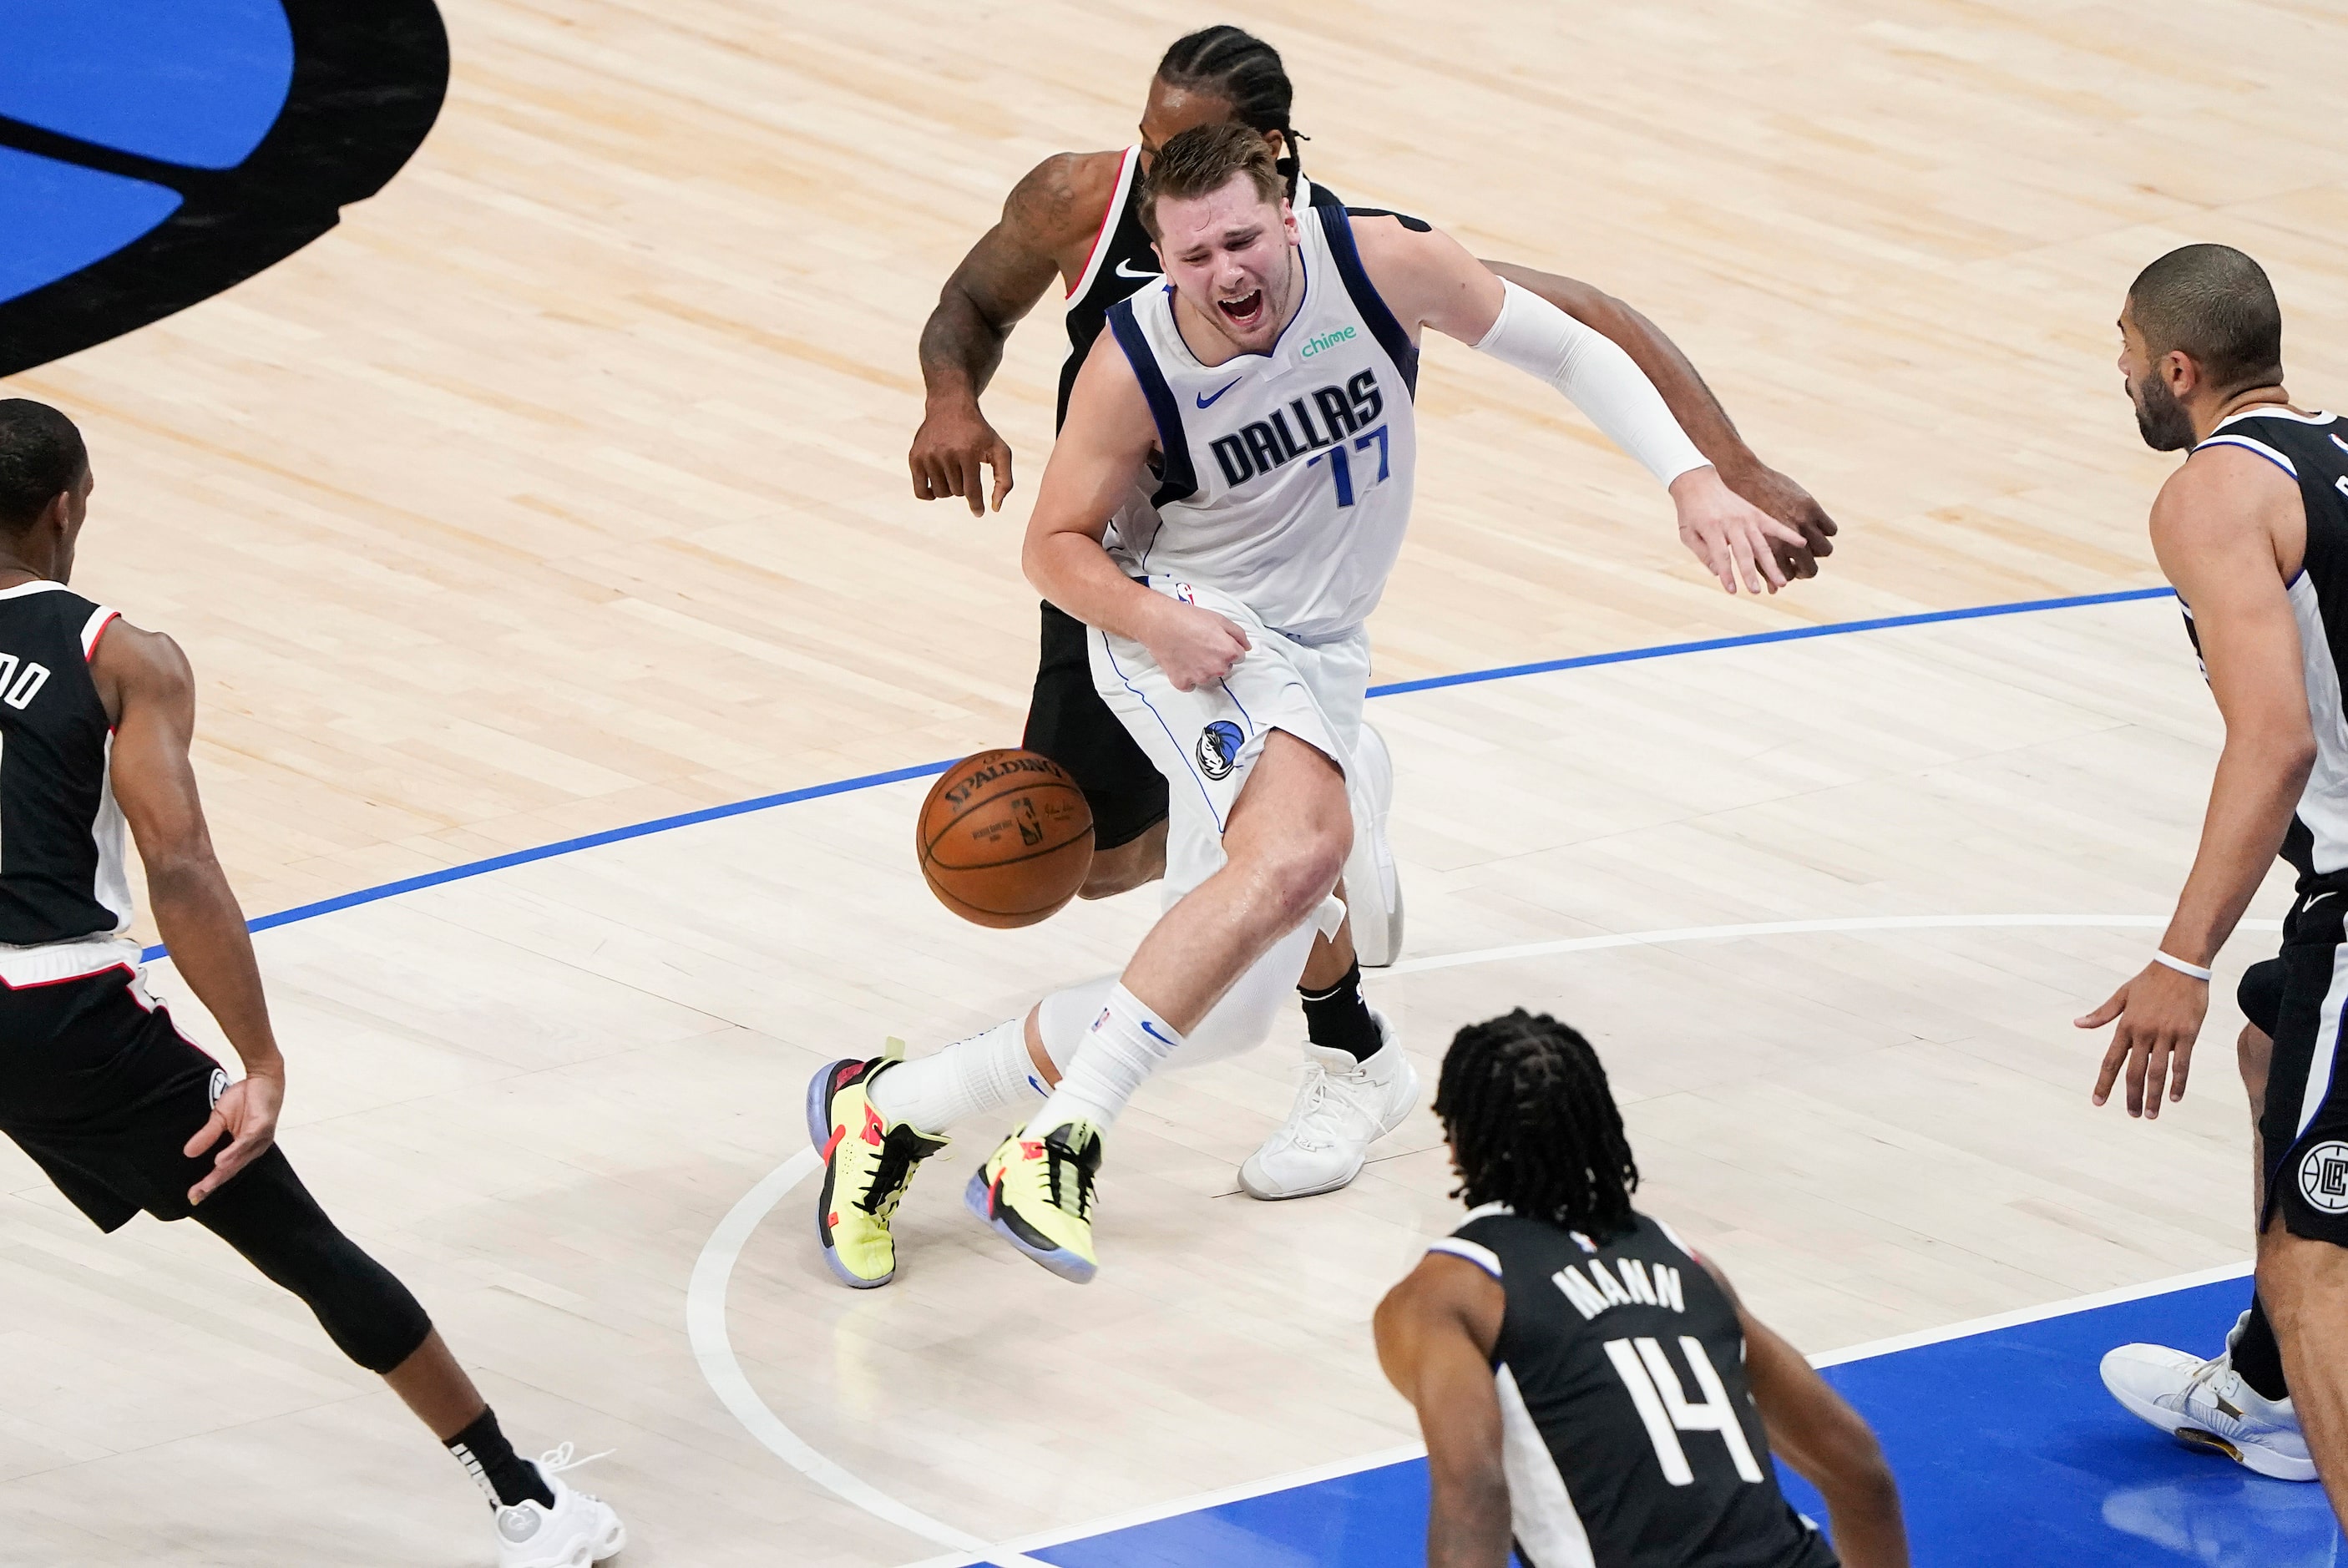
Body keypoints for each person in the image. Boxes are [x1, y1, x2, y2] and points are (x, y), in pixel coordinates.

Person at [813, 122, 1813, 1287]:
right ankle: (1060, 1143)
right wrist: (1157, 622)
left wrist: (1696, 477)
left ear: (1287, 215)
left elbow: (1574, 344)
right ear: (1161, 257)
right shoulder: (1134, 366)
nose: (1226, 271)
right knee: (1305, 844)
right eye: (1195, 257)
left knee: (1228, 1004)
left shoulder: (1385, 264)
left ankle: (888, 1110)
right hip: (1191, 626)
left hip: (1322, 642)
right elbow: (1052, 546)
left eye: (1242, 239)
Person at [0, 401, 625, 1567]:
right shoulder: (118, 654)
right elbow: (178, 866)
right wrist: (262, 1061)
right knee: (302, 1243)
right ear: (66, 506)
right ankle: (525, 1503)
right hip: (59, 1014)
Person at [2077, 245, 2348, 1523]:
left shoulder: (2210, 495)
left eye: (2125, 345)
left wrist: (2177, 958)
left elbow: (2277, 736)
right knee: (2270, 1031)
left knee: (2318, 1269)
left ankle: (2298, 1368)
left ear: (2178, 368)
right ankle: (2271, 1389)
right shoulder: (2339, 449)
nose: (2118, 367)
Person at [1374, 1010, 1908, 1568]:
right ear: (1602, 1130)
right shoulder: (1688, 1266)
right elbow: (1861, 1474)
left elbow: (1477, 1492)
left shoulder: (1450, 1296)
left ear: (1456, 1141)